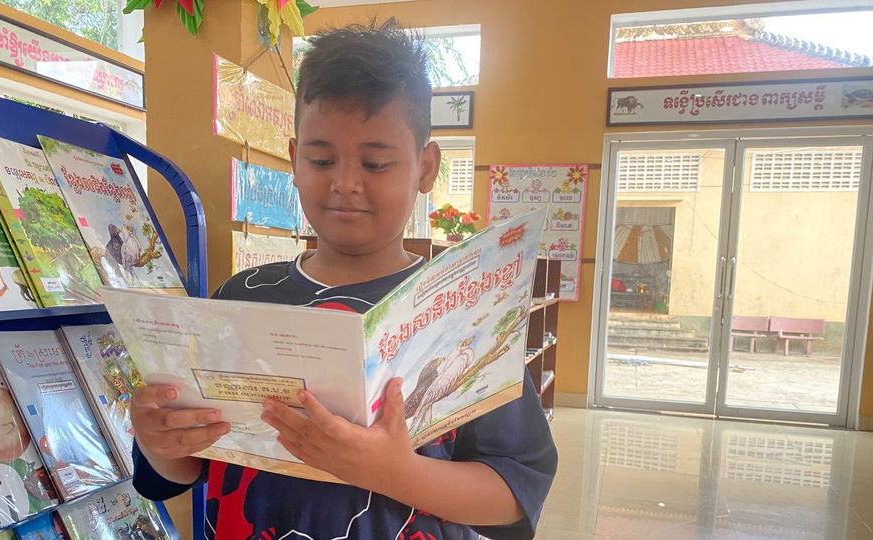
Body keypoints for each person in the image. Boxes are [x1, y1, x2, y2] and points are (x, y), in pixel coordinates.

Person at [130, 19, 557, 540]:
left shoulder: (467, 313)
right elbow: (187, 466)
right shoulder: (241, 298)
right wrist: (159, 441)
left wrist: (394, 472)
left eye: (376, 163)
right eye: (321, 158)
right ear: (293, 159)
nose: (345, 183)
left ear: (425, 168)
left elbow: (515, 492)